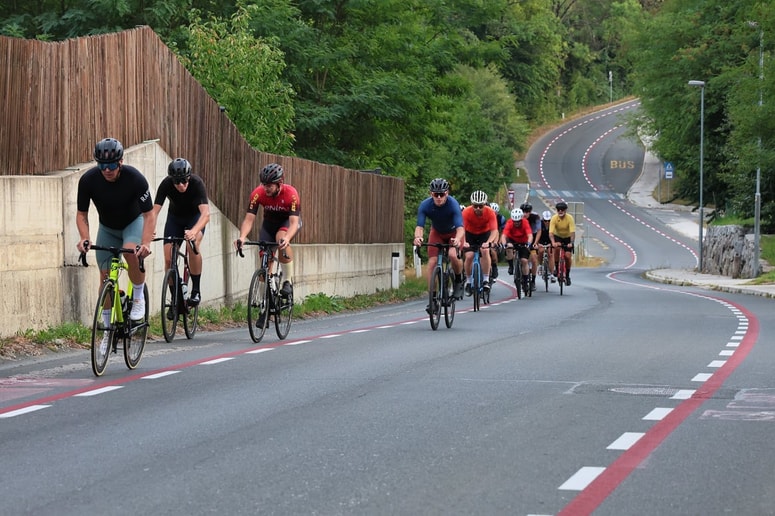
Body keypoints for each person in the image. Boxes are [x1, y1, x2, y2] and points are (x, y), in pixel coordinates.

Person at [76, 138, 155, 349]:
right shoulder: (88, 181)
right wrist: (85, 238)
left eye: (111, 165)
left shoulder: (135, 179)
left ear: (121, 162)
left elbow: (149, 215)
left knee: (131, 252)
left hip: (133, 223)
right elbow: (81, 214)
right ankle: (107, 330)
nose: (107, 170)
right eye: (102, 165)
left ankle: (138, 296)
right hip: (108, 229)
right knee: (105, 279)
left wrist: (145, 243)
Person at [234, 163, 301, 325]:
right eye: (264, 185)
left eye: (269, 185)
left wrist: (287, 238)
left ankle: (287, 280)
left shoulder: (291, 194)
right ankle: (266, 307)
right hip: (268, 225)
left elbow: (294, 223)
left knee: (280, 238)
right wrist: (242, 237)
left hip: (287, 223)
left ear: (279, 183)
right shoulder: (258, 194)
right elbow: (249, 219)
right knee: (265, 268)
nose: (266, 188)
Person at [152, 158, 210, 312]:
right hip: (175, 219)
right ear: (172, 180)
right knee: (168, 258)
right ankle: (175, 301)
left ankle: (196, 291)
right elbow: (154, 211)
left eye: (184, 181)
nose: (181, 185)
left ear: (189, 178)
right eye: (177, 182)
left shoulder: (197, 183)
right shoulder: (166, 184)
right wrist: (150, 228)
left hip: (195, 219)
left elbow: (206, 214)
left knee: (193, 246)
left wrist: (194, 231)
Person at [413, 178, 466, 312]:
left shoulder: (453, 204)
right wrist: (418, 237)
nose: (438, 197)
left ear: (446, 193)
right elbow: (420, 226)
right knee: (432, 263)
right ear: (431, 194)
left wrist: (458, 239)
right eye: (435, 194)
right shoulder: (425, 205)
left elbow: (461, 228)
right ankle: (433, 299)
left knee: (453, 255)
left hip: (454, 232)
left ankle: (459, 280)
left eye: (441, 194)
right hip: (437, 232)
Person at [461, 191, 499, 295]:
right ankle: (468, 281)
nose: (478, 208)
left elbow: (494, 230)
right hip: (470, 234)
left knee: (485, 251)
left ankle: (486, 279)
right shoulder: (466, 212)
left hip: (484, 234)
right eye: (475, 206)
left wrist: (489, 242)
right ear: (472, 205)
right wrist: (464, 242)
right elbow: (461, 229)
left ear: (485, 205)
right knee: (469, 256)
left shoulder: (490, 212)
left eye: (480, 206)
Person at [500, 208, 533, 292]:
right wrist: (504, 244)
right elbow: (504, 236)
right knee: (509, 247)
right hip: (512, 240)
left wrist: (528, 243)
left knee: (524, 261)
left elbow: (530, 235)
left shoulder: (525, 222)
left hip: (523, 241)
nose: (517, 223)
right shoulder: (509, 223)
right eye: (515, 221)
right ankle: (511, 266)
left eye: (518, 221)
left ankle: (525, 281)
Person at [549, 201, 576, 285]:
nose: (560, 211)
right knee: (556, 249)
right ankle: (557, 268)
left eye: (562, 209)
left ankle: (567, 275)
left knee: (568, 256)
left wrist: (571, 242)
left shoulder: (570, 218)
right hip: (558, 236)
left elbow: (572, 232)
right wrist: (553, 242)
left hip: (568, 238)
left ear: (565, 210)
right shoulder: (554, 218)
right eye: (558, 210)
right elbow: (551, 233)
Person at [520, 202, 541, 290]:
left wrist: (536, 243)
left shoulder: (535, 217)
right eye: (523, 212)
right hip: (522, 237)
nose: (525, 214)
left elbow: (539, 231)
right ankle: (520, 273)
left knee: (534, 259)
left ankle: (533, 280)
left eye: (527, 212)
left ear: (530, 212)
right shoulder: (518, 216)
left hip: (533, 237)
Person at [536, 210, 556, 282]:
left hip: (550, 241)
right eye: (545, 220)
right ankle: (540, 265)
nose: (547, 222)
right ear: (543, 219)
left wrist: (552, 243)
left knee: (551, 254)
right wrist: (537, 243)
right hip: (541, 241)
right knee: (540, 251)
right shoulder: (539, 224)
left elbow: (555, 235)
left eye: (548, 220)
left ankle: (552, 274)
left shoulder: (553, 224)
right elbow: (536, 234)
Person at [489, 202, 507, 280]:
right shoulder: (486, 216)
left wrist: (499, 241)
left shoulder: (501, 219)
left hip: (496, 235)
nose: (493, 215)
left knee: (493, 251)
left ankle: (495, 267)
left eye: (495, 213)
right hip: (486, 235)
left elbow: (503, 231)